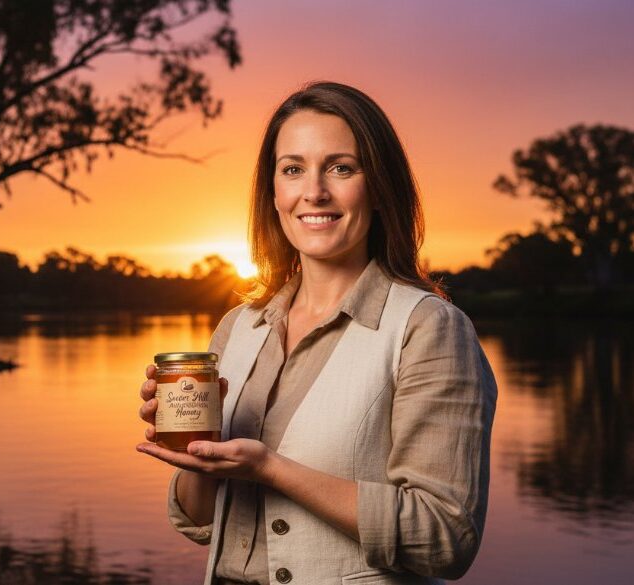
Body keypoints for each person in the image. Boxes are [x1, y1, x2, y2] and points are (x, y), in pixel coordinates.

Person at [136, 81, 498, 585]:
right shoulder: (238, 327)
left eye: (341, 167)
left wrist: (270, 468)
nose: (314, 192)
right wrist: (194, 452)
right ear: (274, 191)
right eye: (292, 169)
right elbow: (202, 522)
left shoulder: (428, 328)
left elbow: (445, 539)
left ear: (379, 187)